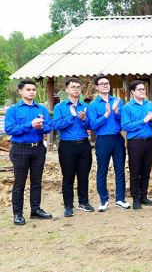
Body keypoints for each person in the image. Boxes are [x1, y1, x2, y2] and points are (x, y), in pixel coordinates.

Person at [5, 79, 53, 225]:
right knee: (19, 183)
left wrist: (40, 128)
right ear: (20, 91)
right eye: (28, 89)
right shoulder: (13, 110)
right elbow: (10, 129)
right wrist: (29, 124)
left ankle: (35, 210)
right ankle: (18, 214)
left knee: (36, 181)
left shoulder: (42, 109)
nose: (32, 92)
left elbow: (49, 128)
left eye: (33, 89)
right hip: (20, 149)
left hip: (38, 148)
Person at [86, 75, 129, 211]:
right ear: (97, 87)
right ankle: (104, 200)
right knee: (102, 170)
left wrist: (116, 111)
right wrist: (106, 114)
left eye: (107, 83)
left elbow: (124, 121)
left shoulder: (118, 101)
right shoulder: (93, 105)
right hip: (102, 140)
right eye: (102, 84)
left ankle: (120, 199)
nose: (105, 85)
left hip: (117, 138)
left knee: (120, 169)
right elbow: (93, 125)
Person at [52, 78, 94, 217]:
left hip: (83, 144)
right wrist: (71, 116)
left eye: (78, 87)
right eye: (73, 87)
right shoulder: (60, 107)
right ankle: (68, 206)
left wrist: (83, 119)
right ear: (67, 90)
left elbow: (89, 126)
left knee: (83, 176)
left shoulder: (84, 106)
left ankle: (83, 202)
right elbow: (56, 125)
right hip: (67, 146)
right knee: (68, 177)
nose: (76, 89)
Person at [122, 80, 152, 210]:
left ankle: (144, 196)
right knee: (135, 172)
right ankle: (136, 198)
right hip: (135, 142)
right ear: (132, 92)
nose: (143, 91)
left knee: (146, 171)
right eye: (140, 89)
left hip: (149, 141)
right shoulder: (127, 107)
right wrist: (144, 120)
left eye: (144, 89)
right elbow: (125, 126)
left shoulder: (150, 105)